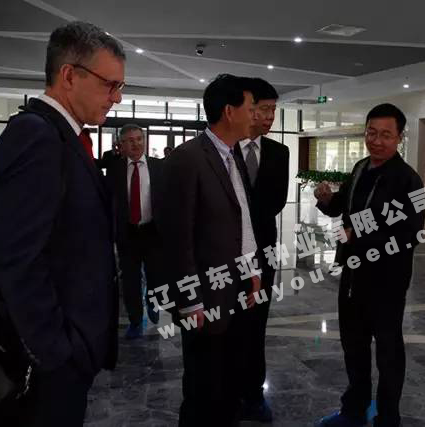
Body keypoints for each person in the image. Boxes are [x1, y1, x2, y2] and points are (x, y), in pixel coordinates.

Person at [0, 21, 125, 426]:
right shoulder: (36, 135)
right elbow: (15, 257)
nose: (116, 98)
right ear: (69, 75)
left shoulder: (66, 136)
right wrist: (56, 352)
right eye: (109, 85)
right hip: (51, 361)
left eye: (120, 87)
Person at [314, 103, 425, 427]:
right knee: (354, 346)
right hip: (353, 274)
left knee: (388, 352)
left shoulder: (410, 180)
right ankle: (354, 409)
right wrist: (327, 200)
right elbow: (345, 207)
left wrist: (359, 236)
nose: (376, 141)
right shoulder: (361, 167)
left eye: (386, 135)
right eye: (371, 133)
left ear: (400, 137)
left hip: (387, 280)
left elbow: (411, 233)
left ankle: (388, 418)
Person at [161, 74, 259, 427]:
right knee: (203, 387)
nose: (255, 115)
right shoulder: (187, 159)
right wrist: (190, 301)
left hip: (235, 288)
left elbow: (241, 217)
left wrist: (252, 271)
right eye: (251, 108)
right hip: (204, 297)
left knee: (230, 380)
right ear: (230, 111)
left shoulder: (233, 156)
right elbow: (177, 238)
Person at [233, 78, 289, 423]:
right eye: (263, 109)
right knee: (227, 325)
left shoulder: (279, 152)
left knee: (256, 325)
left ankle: (253, 395)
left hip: (264, 250)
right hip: (226, 254)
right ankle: (227, 393)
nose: (269, 117)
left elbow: (276, 201)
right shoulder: (225, 148)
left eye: (273, 110)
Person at [107, 123, 165, 339]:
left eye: (139, 139)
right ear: (121, 144)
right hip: (127, 233)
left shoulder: (159, 166)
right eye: (130, 140)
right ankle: (135, 320)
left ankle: (153, 301)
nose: (136, 144)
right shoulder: (115, 170)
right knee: (130, 280)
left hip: (153, 231)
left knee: (156, 275)